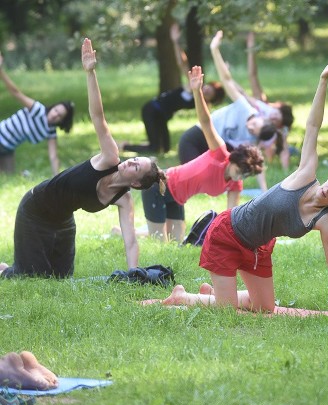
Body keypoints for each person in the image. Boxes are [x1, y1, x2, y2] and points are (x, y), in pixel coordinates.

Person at [153, 51, 328, 314]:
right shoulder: (305, 174)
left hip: (257, 248)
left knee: (265, 309)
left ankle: (221, 294)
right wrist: (323, 81)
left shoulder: (325, 221)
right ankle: (186, 297)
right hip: (228, 233)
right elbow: (313, 125)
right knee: (226, 313)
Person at [0, 38, 165, 279]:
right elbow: (98, 117)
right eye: (134, 159)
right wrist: (90, 72)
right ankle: (4, 269)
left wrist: (134, 275)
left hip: (63, 222)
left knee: (60, 279)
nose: (130, 161)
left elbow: (130, 241)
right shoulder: (110, 158)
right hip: (35, 210)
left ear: (137, 183)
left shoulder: (124, 200)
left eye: (136, 166)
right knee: (29, 276)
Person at [141, 65, 264, 242]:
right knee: (159, 242)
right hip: (159, 187)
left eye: (246, 174)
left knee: (175, 242)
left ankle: (125, 231)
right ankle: (129, 232)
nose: (241, 175)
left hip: (177, 199)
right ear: (234, 159)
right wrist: (197, 91)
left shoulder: (235, 185)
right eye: (241, 169)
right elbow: (206, 122)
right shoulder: (220, 154)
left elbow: (229, 217)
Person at [177, 30, 276, 191]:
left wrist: (264, 190)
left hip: (214, 150)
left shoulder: (252, 140)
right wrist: (215, 50)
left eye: (253, 131)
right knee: (187, 180)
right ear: (261, 117)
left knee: (204, 185)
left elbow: (257, 161)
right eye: (254, 124)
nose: (249, 127)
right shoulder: (245, 108)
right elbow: (227, 80)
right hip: (197, 138)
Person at [121, 23, 225, 154]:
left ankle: (146, 143)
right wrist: (175, 41)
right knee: (154, 149)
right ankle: (124, 146)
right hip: (152, 109)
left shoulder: (201, 103)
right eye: (207, 88)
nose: (205, 91)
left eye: (209, 94)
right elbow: (182, 63)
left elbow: (208, 122)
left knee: (165, 149)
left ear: (210, 99)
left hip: (162, 117)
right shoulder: (192, 85)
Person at [0, 51, 74, 175]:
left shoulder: (50, 131)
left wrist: (56, 180)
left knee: (8, 176)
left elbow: (53, 156)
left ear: (62, 122)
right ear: (52, 108)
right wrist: (1, 72)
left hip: (7, 149)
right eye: (56, 110)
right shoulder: (38, 110)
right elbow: (16, 93)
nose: (55, 114)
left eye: (60, 116)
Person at [246, 31, 294, 171]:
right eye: (276, 113)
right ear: (278, 107)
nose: (272, 117)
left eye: (276, 121)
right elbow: (252, 76)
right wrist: (251, 50)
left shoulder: (275, 131)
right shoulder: (262, 102)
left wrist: (286, 171)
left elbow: (284, 151)